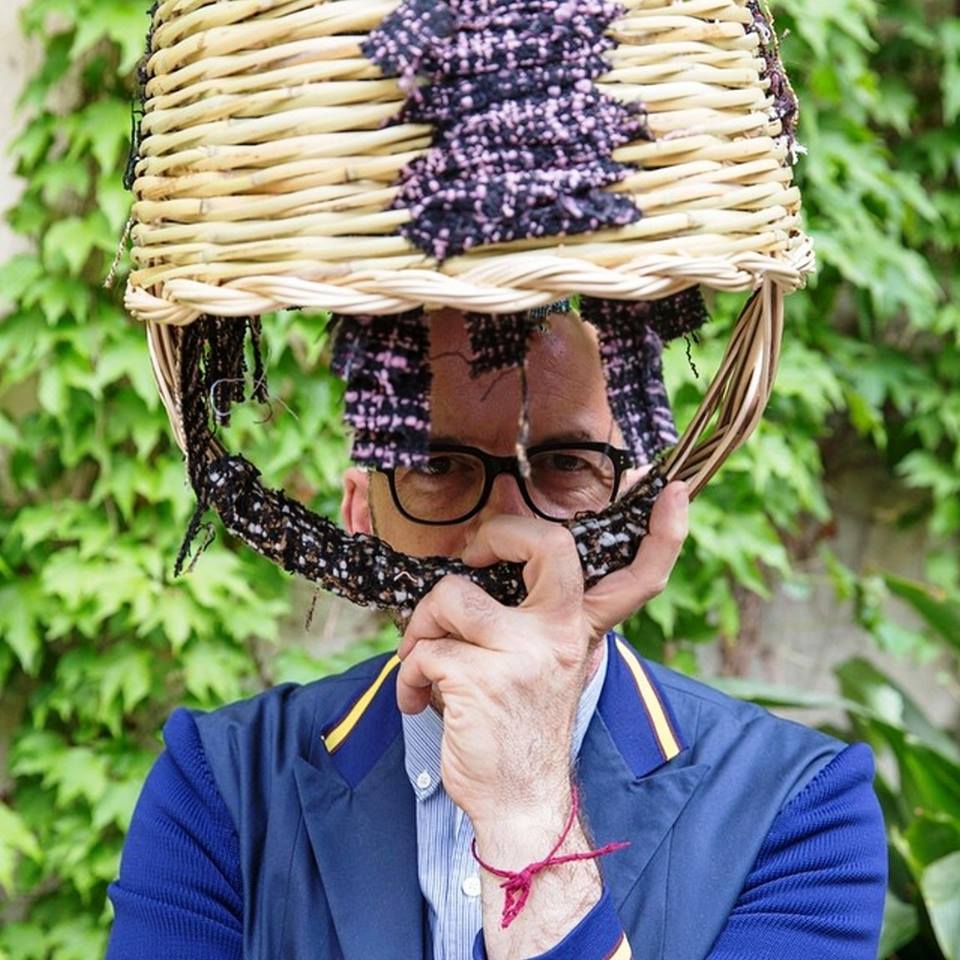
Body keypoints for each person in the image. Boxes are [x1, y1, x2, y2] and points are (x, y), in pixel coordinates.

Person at [105, 307, 887, 960]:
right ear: (359, 514)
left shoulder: (799, 813)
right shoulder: (221, 789)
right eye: (437, 467)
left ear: (645, 510)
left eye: (565, 463)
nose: (509, 527)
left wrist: (528, 808)